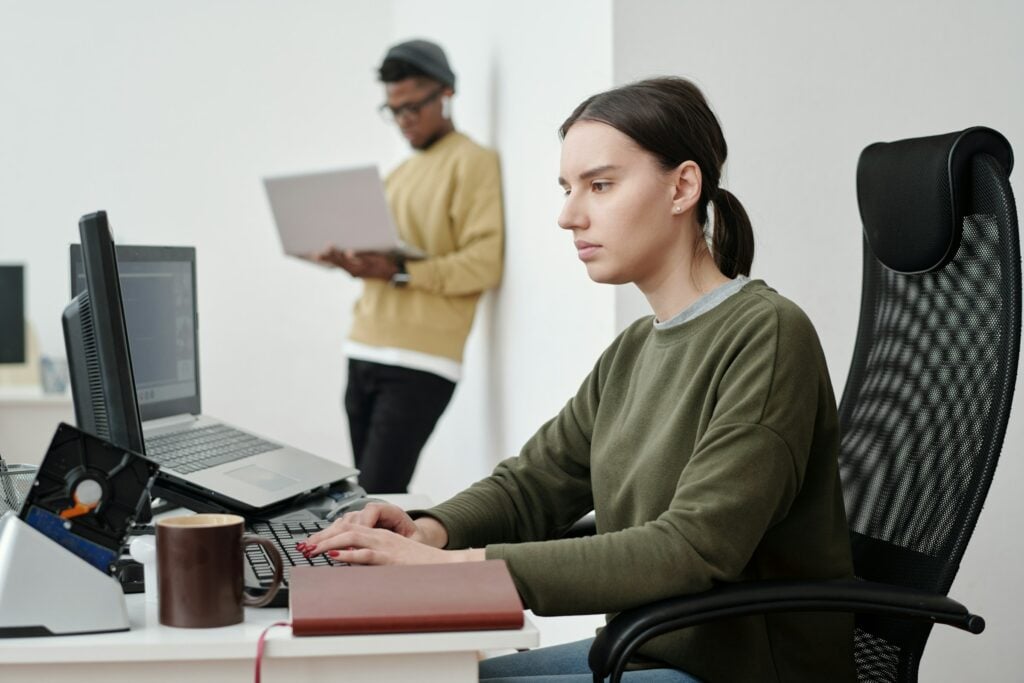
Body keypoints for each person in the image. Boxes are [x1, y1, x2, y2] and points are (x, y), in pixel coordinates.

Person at [301, 77, 855, 682]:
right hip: (646, 650)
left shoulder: (767, 335)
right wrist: (430, 531)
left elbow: (692, 548)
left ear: (683, 187)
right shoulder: (635, 349)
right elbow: (533, 485)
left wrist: (455, 569)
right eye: (568, 189)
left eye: (600, 185)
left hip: (734, 672)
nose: (569, 215)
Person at [316, 39, 504, 493]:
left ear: (446, 94)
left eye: (413, 107)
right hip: (363, 347)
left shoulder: (473, 162)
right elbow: (387, 257)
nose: (404, 121)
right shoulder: (398, 173)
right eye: (393, 110)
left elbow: (483, 263)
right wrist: (350, 261)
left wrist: (398, 272)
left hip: (420, 361)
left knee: (378, 502)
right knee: (362, 498)